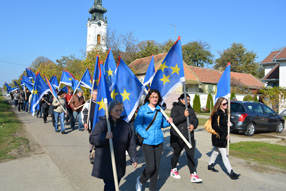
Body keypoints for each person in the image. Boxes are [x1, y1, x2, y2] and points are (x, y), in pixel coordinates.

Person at [89, 100, 138, 191]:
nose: (119, 112)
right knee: (110, 186)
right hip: (106, 161)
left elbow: (131, 143)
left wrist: (133, 157)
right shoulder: (102, 124)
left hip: (119, 162)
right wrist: (104, 137)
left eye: (120, 110)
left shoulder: (125, 126)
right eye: (116, 110)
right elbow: (92, 139)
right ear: (110, 111)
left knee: (115, 183)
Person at [135, 89, 172, 191]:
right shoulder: (143, 109)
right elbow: (137, 125)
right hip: (147, 142)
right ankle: (141, 180)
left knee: (156, 168)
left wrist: (168, 121)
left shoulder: (160, 110)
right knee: (151, 167)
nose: (155, 99)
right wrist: (145, 134)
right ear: (149, 98)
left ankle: (152, 189)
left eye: (156, 97)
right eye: (153, 97)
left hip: (159, 141)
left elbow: (162, 124)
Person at [169, 93, 202, 183]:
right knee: (176, 153)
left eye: (189, 99)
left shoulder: (190, 109)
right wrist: (184, 115)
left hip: (189, 137)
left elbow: (196, 120)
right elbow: (173, 121)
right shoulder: (175, 108)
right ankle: (173, 169)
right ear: (181, 99)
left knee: (191, 155)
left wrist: (193, 126)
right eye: (186, 99)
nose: (188, 101)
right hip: (178, 136)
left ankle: (193, 174)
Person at [207, 97, 240, 180]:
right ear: (219, 105)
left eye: (227, 103)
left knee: (216, 151)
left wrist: (229, 124)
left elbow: (224, 125)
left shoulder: (225, 112)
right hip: (218, 137)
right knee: (224, 155)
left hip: (224, 136)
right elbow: (215, 126)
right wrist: (224, 135)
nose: (226, 105)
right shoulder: (216, 113)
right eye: (224, 104)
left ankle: (210, 165)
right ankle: (231, 172)